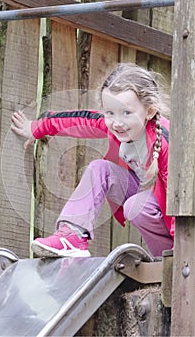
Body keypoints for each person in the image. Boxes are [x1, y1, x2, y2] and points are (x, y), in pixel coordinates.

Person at [11, 63, 174, 258]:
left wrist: (184, 248)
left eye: (127, 113)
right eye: (110, 113)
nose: (117, 122)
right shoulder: (114, 124)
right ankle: (72, 235)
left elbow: (179, 197)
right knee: (100, 168)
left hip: (174, 216)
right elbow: (78, 120)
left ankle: (171, 258)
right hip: (143, 192)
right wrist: (36, 127)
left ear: (149, 111)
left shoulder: (165, 143)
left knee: (136, 207)